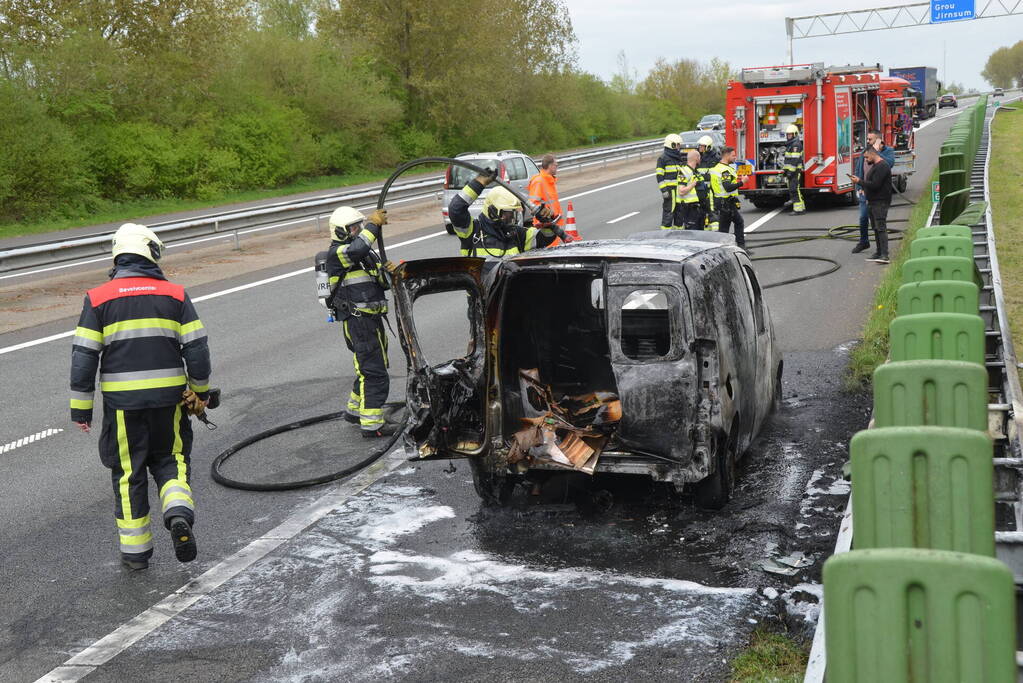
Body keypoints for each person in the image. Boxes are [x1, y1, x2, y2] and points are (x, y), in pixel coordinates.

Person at [70, 223, 211, 571]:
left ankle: (136, 555)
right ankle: (177, 513)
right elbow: (197, 348)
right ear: (152, 252)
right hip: (170, 402)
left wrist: (81, 409)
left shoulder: (98, 298)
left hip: (122, 408)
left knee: (128, 475)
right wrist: (202, 392)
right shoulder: (175, 294)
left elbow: (84, 355)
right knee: (172, 460)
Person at [324, 206, 394, 438]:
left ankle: (355, 411)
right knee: (373, 371)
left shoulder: (364, 256)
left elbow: (382, 283)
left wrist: (390, 272)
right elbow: (358, 247)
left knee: (369, 367)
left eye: (360, 226)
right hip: (358, 322)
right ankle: (372, 424)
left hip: (371, 320)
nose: (358, 230)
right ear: (341, 232)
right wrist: (374, 225)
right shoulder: (337, 254)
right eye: (354, 227)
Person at [449, 169, 558, 262]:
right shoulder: (472, 231)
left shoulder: (518, 235)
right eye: (507, 214)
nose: (511, 219)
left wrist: (547, 221)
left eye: (513, 214)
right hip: (482, 286)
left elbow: (545, 238)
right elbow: (456, 209)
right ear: (492, 211)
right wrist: (478, 183)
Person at [851, 130, 896, 253]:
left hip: (879, 195)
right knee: (864, 217)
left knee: (878, 222)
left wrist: (876, 152)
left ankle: (882, 251)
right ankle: (864, 241)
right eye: (867, 139)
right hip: (865, 191)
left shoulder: (888, 152)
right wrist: (859, 188)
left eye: (870, 139)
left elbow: (890, 163)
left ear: (878, 140)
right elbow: (859, 169)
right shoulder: (865, 152)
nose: (867, 141)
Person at [849, 146, 892, 264]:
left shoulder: (882, 166)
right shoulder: (875, 166)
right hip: (872, 201)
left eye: (867, 157)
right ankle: (879, 252)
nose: (866, 160)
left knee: (881, 227)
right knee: (876, 228)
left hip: (880, 202)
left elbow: (875, 185)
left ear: (873, 154)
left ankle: (885, 255)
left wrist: (859, 182)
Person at [711, 146, 750, 248]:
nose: (735, 157)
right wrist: (742, 182)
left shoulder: (718, 167)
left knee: (725, 228)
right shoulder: (725, 170)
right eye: (733, 155)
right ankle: (740, 247)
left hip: (723, 202)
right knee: (736, 223)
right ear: (727, 156)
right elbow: (727, 187)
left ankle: (727, 248)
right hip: (726, 203)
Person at [527, 154, 566, 243]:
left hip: (552, 224)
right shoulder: (539, 181)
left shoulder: (549, 181)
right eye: (556, 165)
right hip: (544, 226)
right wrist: (547, 216)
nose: (557, 167)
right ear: (550, 166)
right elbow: (533, 204)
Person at [656, 134, 685, 229]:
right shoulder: (663, 159)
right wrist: (664, 190)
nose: (679, 147)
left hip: (679, 191)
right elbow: (659, 176)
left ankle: (678, 234)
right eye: (677, 145)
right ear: (672, 145)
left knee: (680, 215)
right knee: (668, 215)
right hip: (670, 192)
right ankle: (665, 236)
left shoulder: (678, 158)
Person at [696, 135, 721, 229]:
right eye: (700, 146)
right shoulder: (699, 158)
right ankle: (707, 235)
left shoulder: (716, 159)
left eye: (702, 146)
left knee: (712, 212)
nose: (700, 148)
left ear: (708, 147)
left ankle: (716, 233)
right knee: (703, 213)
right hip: (701, 191)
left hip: (712, 191)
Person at [675, 150, 703, 230]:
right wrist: (692, 185)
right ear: (696, 158)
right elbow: (681, 191)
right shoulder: (684, 172)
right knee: (691, 232)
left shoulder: (695, 171)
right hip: (687, 207)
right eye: (699, 157)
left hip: (695, 207)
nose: (700, 159)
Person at [781, 124, 805, 214]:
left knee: (794, 189)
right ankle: (801, 208)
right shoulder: (791, 144)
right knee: (794, 189)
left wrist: (790, 171)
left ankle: (798, 210)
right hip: (791, 171)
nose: (788, 136)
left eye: (790, 134)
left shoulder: (796, 145)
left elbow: (795, 160)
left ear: (795, 134)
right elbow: (788, 159)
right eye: (788, 134)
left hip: (795, 171)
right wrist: (785, 170)